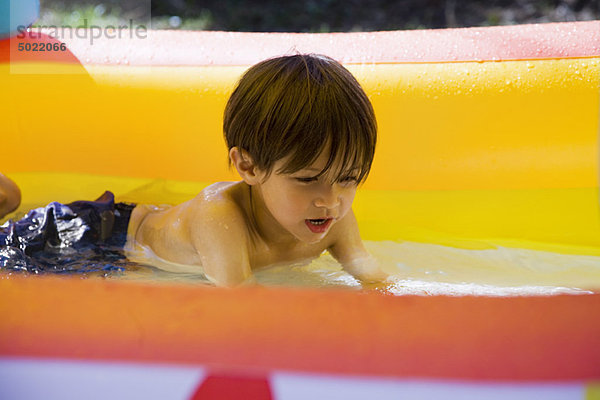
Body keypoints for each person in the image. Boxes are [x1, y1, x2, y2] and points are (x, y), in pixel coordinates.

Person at [1, 54, 390, 287]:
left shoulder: (333, 214)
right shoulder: (220, 216)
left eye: (349, 177)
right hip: (94, 234)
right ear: (248, 166)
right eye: (307, 179)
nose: (331, 199)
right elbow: (243, 303)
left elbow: (373, 278)